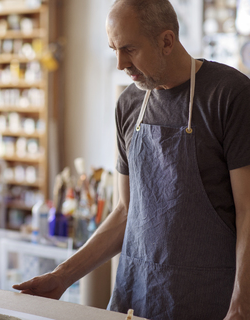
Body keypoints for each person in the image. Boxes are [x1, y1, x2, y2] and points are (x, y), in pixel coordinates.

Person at [13, 1, 250, 319]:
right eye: (114, 49)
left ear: (167, 41)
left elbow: (248, 213)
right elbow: (125, 212)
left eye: (130, 49)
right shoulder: (128, 104)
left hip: (212, 302)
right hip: (137, 298)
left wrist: (241, 305)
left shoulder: (230, 95)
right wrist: (62, 276)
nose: (120, 63)